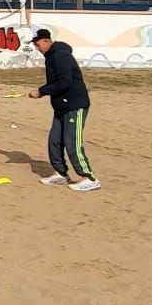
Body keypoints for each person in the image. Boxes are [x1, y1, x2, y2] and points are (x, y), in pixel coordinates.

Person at [27, 28, 99, 192]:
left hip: (75, 104)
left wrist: (41, 91)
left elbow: (65, 81)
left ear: (46, 41)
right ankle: (61, 173)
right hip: (61, 106)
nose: (37, 49)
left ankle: (89, 177)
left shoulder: (61, 55)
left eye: (38, 45)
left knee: (72, 141)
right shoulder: (50, 57)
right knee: (54, 140)